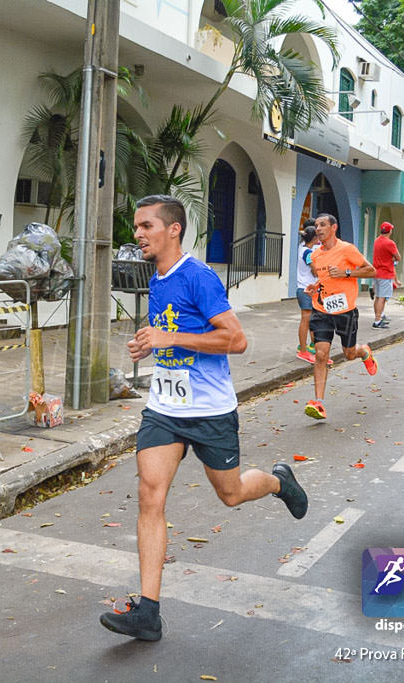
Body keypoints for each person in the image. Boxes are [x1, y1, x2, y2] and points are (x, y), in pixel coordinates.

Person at [100, 195, 308, 642]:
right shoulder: (156, 277)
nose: (137, 234)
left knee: (230, 494)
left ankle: (278, 481)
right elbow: (171, 334)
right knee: (149, 495)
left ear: (173, 229)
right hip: (164, 409)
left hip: (210, 411)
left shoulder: (199, 277)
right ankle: (148, 611)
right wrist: (150, 345)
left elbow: (235, 340)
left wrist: (167, 336)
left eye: (146, 226)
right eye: (136, 227)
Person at [303, 213, 378, 419]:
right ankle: (319, 402)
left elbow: (371, 271)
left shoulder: (347, 249)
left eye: (323, 225)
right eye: (316, 225)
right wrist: (314, 287)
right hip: (322, 309)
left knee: (349, 354)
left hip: (345, 312)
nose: (318, 229)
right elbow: (324, 279)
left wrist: (347, 273)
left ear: (333, 227)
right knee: (320, 355)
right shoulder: (316, 255)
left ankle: (363, 352)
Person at [295, 220, 321, 363]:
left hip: (304, 288)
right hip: (306, 288)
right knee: (306, 320)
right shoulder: (308, 253)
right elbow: (315, 271)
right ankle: (303, 349)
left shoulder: (302, 247)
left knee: (310, 319)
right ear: (314, 238)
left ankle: (310, 346)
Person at [371, 221, 401, 328]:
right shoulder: (390, 243)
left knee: (378, 296)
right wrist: (392, 258)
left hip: (376, 272)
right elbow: (398, 257)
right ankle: (377, 320)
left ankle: (379, 316)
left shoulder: (376, 241)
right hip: (386, 273)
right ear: (390, 231)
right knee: (382, 297)